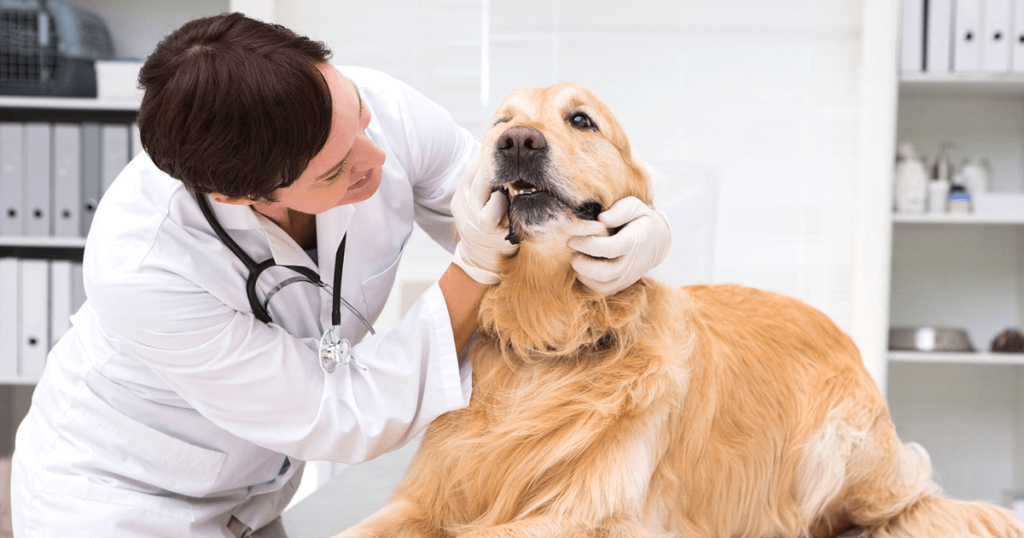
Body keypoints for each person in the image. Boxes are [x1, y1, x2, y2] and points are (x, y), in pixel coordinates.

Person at [10, 12, 672, 537]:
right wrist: (470, 266)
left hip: (264, 495)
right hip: (125, 501)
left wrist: (643, 230)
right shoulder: (145, 268)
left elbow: (513, 215)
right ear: (242, 197)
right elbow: (342, 413)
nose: (377, 156)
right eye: (335, 171)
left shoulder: (374, 110)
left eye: (357, 116)